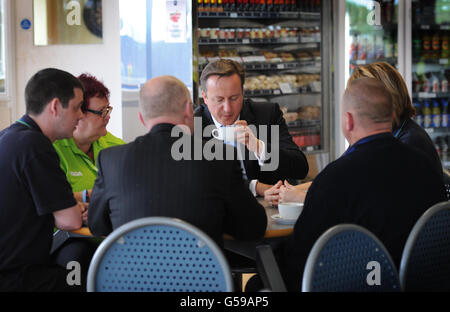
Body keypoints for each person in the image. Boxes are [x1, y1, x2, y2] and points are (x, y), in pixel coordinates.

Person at [276, 78, 446, 291]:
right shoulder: (425, 165)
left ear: (348, 120)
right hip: (425, 282)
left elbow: (300, 260)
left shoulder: (335, 178)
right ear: (391, 116)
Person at [88, 75, 267, 248]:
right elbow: (253, 227)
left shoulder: (111, 160)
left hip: (130, 277)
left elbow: (96, 225)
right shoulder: (219, 155)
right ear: (189, 111)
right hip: (202, 276)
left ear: (141, 118)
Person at [264, 61, 444, 205]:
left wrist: (301, 197)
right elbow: (338, 182)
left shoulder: (406, 145)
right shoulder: (378, 137)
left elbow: (366, 202)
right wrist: (288, 191)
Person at [0, 68, 86, 291]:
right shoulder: (36, 147)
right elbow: (70, 221)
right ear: (56, 106)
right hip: (21, 277)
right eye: (77, 108)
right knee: (93, 277)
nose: (80, 116)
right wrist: (75, 208)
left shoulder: (8, 137)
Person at [195, 59, 309, 197]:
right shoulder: (193, 124)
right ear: (205, 97)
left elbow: (300, 169)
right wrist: (256, 187)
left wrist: (260, 147)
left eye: (234, 98)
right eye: (219, 100)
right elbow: (197, 180)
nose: (227, 109)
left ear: (243, 92)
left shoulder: (267, 114)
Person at [53, 73, 125, 203]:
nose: (108, 117)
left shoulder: (118, 147)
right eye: (102, 111)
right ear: (78, 112)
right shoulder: (53, 149)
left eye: (108, 110)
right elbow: (51, 200)